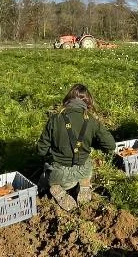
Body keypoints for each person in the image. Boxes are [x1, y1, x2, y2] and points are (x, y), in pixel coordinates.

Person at [36, 83, 117, 211]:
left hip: (59, 175)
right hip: (84, 171)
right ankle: (83, 184)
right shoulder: (92, 121)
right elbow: (110, 146)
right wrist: (91, 141)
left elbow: (41, 151)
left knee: (44, 180)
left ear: (68, 99)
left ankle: (56, 188)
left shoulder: (54, 119)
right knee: (87, 165)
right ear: (88, 102)